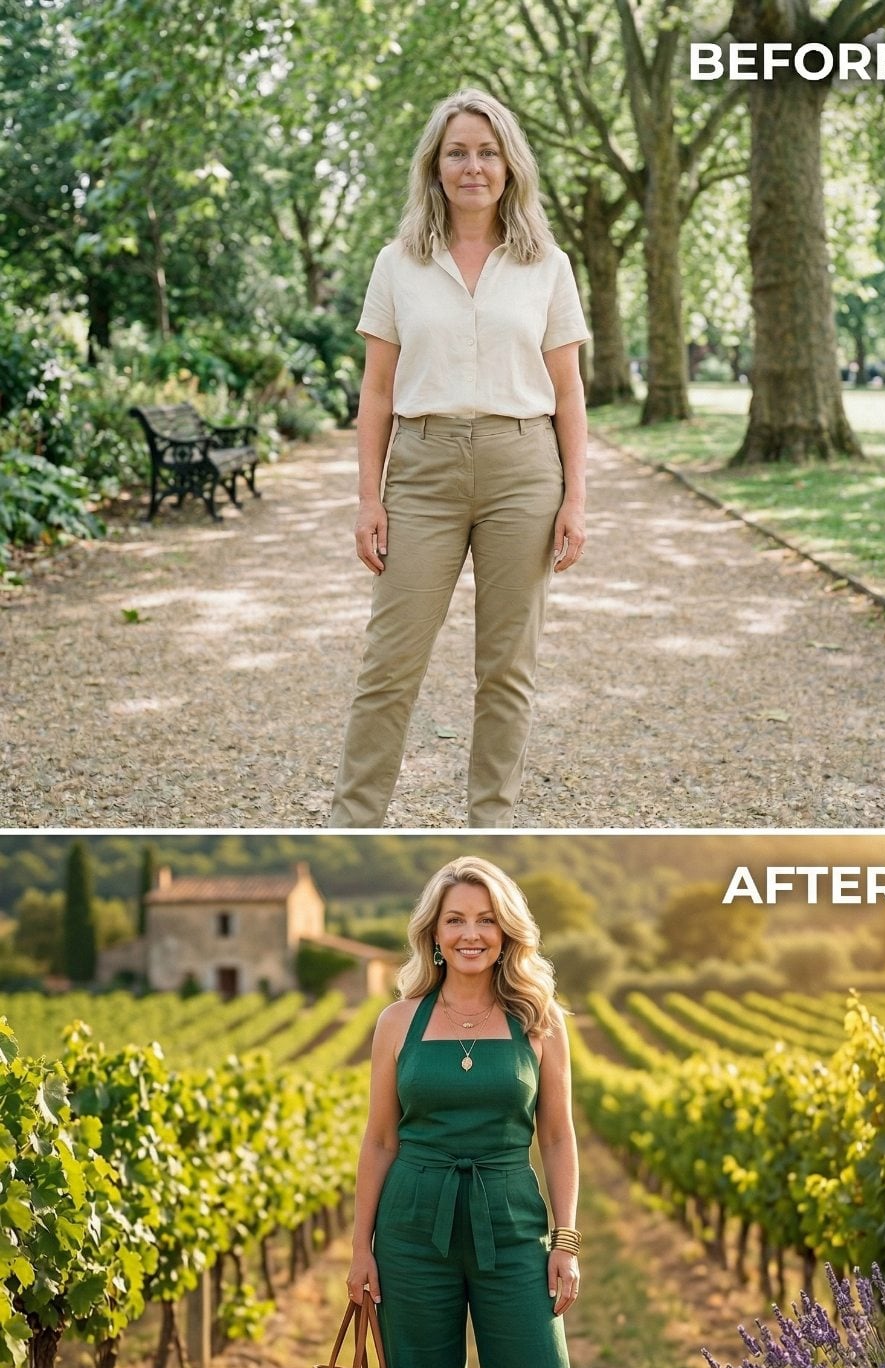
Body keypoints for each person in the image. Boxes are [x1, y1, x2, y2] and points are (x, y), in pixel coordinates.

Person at [347, 857, 665, 1368]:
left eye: (485, 919)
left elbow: (557, 1137)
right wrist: (361, 1248)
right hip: (413, 1225)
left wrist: (566, 1240)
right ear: (433, 931)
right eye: (456, 919)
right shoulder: (398, 1022)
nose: (470, 933)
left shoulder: (539, 1018)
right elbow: (380, 1138)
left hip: (511, 1217)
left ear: (507, 930)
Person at [328, 89, 590, 830]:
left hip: (523, 466)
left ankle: (491, 826)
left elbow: (568, 393)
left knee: (507, 671)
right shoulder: (398, 264)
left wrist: (576, 499)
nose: (472, 166)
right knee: (389, 665)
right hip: (423, 467)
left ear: (509, 165)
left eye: (486, 151)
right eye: (457, 152)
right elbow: (376, 392)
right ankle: (354, 822)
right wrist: (367, 497)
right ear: (435, 167)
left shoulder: (547, 265)